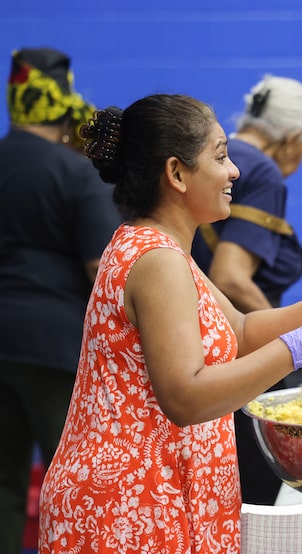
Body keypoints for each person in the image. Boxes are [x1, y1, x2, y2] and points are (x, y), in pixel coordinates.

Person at [38, 93, 302, 553]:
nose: (234, 170)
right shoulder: (156, 259)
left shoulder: (165, 249)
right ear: (177, 173)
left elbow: (238, 331)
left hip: (155, 495)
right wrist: (297, 349)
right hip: (131, 507)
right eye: (220, 156)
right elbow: (185, 397)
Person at [0, 47, 122, 554]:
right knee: (69, 480)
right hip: (54, 346)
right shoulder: (74, 174)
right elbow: (103, 270)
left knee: (3, 482)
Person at [191, 76, 302, 506]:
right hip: (236, 355)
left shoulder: (209, 161)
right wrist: (292, 350)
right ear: (294, 139)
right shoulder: (261, 171)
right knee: (254, 496)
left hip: (197, 350)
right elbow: (231, 278)